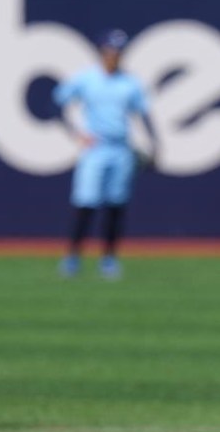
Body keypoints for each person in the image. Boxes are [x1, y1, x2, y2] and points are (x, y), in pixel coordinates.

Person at [53, 29, 158, 279]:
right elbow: (57, 104)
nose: (114, 56)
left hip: (120, 148)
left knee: (115, 206)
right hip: (95, 148)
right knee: (85, 204)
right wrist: (76, 134)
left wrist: (155, 145)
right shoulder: (86, 79)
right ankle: (73, 257)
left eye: (119, 52)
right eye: (111, 51)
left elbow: (144, 114)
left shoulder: (129, 83)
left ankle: (109, 259)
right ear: (102, 52)